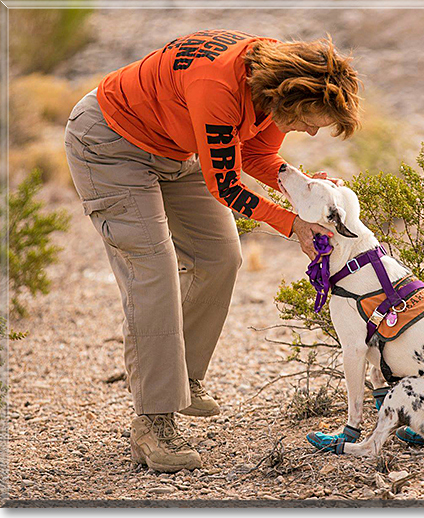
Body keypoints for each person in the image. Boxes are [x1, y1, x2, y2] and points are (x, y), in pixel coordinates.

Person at [64, 29, 361, 473]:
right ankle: (154, 422)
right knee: (154, 272)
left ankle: (180, 374)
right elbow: (224, 183)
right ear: (290, 97)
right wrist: (292, 224)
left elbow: (256, 155)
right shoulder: (219, 86)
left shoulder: (271, 83)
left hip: (178, 147)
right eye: (311, 121)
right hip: (111, 144)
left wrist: (303, 187)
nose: (312, 132)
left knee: (221, 256)